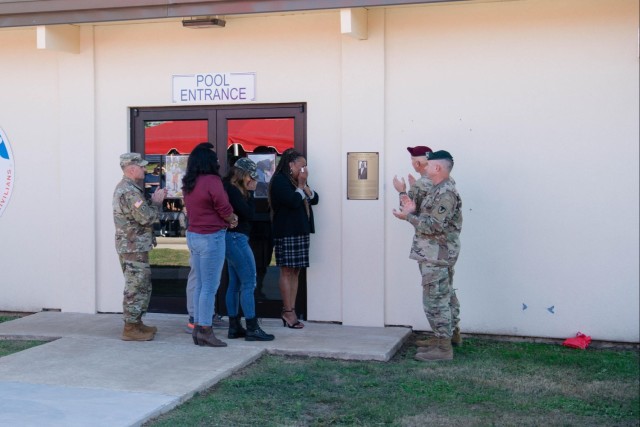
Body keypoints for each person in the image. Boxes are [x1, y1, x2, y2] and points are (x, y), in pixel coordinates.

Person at [393, 150, 462, 361]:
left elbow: (433, 225)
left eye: (428, 164)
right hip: (435, 252)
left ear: (438, 168)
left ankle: (443, 348)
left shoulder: (446, 193)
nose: (425, 168)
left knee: (435, 299)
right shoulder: (438, 189)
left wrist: (408, 217)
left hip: (437, 254)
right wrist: (412, 210)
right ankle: (448, 337)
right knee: (444, 294)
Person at [182, 142, 238, 347]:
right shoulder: (212, 181)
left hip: (194, 235)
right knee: (209, 286)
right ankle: (206, 329)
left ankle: (198, 327)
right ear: (209, 162)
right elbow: (223, 206)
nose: (217, 162)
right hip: (211, 236)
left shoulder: (189, 182)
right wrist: (232, 218)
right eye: (214, 159)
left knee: (199, 285)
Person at [113, 152, 167, 341]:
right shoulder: (128, 191)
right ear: (132, 168)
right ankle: (130, 327)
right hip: (132, 247)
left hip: (134, 245)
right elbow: (147, 217)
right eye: (142, 166)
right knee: (136, 285)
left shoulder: (130, 189)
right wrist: (157, 202)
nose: (145, 169)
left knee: (141, 284)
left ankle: (136, 323)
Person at [223, 157, 275, 341]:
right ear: (242, 175)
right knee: (249, 283)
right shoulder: (234, 191)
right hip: (237, 239)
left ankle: (234, 326)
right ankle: (252, 327)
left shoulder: (229, 188)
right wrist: (251, 193)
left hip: (232, 239)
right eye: (250, 177)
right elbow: (248, 213)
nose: (252, 181)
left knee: (235, 284)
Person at [268, 148, 319, 329]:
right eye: (302, 165)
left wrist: (304, 186)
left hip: (300, 231)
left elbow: (315, 199)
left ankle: (292, 308)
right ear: (291, 165)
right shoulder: (280, 181)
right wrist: (300, 186)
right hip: (286, 232)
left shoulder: (298, 181)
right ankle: (287, 310)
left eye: (306, 166)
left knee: (296, 270)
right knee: (287, 271)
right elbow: (292, 201)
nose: (304, 169)